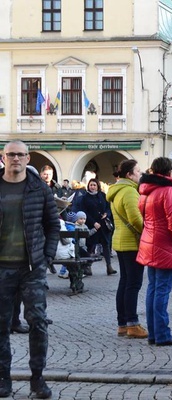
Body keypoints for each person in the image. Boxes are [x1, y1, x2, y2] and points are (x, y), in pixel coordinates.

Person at [0, 140, 58, 398]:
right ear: (3, 157)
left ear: (27, 159)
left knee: (38, 322)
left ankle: (37, 379)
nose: (16, 158)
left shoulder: (39, 189)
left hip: (32, 267)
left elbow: (53, 225)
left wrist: (46, 256)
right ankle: (3, 379)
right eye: (11, 154)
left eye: (21, 154)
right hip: (1, 269)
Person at [137, 157, 172, 346]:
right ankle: (162, 334)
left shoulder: (146, 190)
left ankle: (153, 333)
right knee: (161, 290)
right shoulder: (168, 191)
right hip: (165, 245)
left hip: (150, 242)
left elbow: (143, 216)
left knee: (153, 288)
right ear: (169, 171)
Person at [106, 160, 147, 339]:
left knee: (125, 282)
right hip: (131, 243)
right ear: (129, 175)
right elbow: (135, 219)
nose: (140, 174)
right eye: (137, 171)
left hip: (120, 240)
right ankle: (132, 324)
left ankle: (122, 324)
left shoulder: (116, 191)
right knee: (133, 284)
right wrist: (148, 231)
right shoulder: (130, 191)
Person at [74, 178, 117, 276]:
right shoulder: (84, 197)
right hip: (91, 224)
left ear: (97, 186)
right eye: (91, 185)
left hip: (103, 225)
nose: (92, 187)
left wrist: (107, 213)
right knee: (90, 246)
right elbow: (84, 212)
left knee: (105, 244)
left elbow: (108, 207)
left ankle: (109, 266)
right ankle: (88, 266)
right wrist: (93, 223)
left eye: (94, 185)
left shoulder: (103, 195)